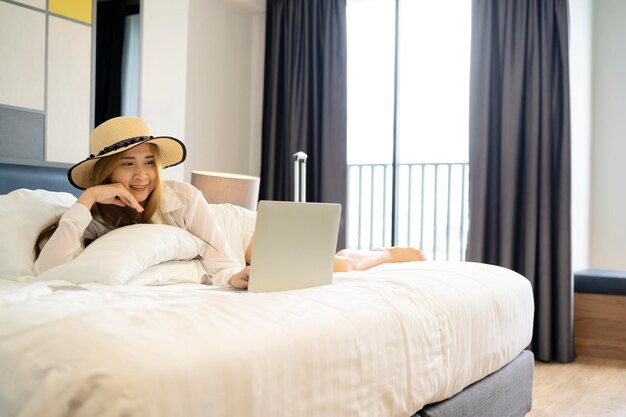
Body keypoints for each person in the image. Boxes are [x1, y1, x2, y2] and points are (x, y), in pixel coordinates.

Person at [35, 116, 425, 289]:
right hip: (220, 233)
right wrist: (86, 199)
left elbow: (219, 251)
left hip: (234, 227)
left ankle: (380, 255)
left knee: (336, 264)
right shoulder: (91, 215)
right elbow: (48, 270)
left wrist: (230, 276)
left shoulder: (182, 196)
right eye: (127, 164)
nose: (142, 176)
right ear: (106, 172)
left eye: (149, 162)